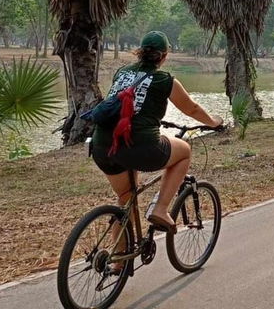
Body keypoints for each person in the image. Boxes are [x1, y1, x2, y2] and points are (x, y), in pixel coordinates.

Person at [91, 30, 223, 233]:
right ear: (164, 56)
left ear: (139, 53)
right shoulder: (164, 79)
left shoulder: (122, 72)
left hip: (102, 146)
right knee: (184, 151)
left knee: (125, 202)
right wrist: (214, 122)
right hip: (139, 146)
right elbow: (192, 109)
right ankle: (160, 209)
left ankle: (117, 263)